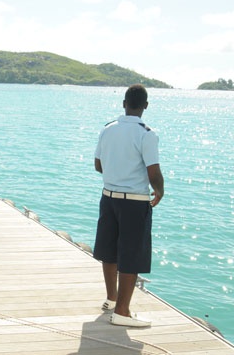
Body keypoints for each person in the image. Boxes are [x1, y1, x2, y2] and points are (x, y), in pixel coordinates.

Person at [93, 84, 164, 328]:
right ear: (145, 106)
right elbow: (153, 171)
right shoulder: (147, 134)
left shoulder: (108, 130)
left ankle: (112, 299)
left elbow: (98, 165)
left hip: (108, 197)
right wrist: (160, 190)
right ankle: (122, 312)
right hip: (134, 202)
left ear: (124, 103)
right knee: (131, 255)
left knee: (109, 251)